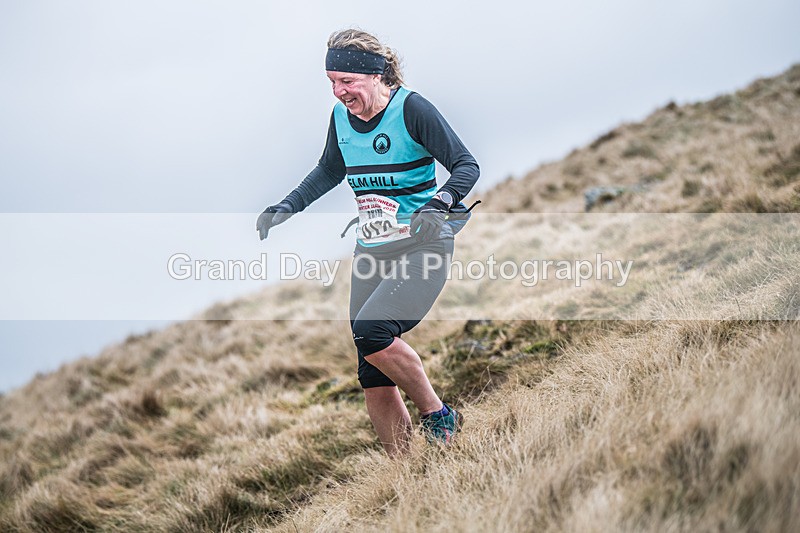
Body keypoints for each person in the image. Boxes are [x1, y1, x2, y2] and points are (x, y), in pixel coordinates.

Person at [256, 29, 479, 456]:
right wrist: (287, 206)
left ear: (376, 75)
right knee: (371, 368)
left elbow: (465, 165)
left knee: (373, 330)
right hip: (372, 251)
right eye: (332, 83)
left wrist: (440, 202)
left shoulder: (412, 109)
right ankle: (405, 471)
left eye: (346, 81)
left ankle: (438, 416)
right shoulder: (341, 119)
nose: (339, 92)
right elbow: (328, 170)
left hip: (423, 246)